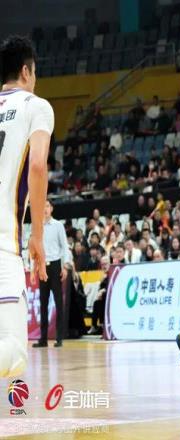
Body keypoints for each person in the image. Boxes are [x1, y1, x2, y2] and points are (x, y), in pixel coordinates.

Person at [0, 35, 53, 377]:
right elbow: (37, 165)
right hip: (4, 242)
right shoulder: (36, 106)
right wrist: (37, 235)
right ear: (25, 71)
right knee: (16, 353)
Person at [33, 200, 70, 348]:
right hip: (43, 266)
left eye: (47, 206)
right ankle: (43, 338)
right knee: (43, 302)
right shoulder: (38, 226)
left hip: (55, 265)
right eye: (43, 206)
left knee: (58, 302)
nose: (45, 209)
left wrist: (65, 266)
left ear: (52, 208)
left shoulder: (58, 225)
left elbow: (65, 246)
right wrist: (34, 267)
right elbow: (34, 248)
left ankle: (59, 337)